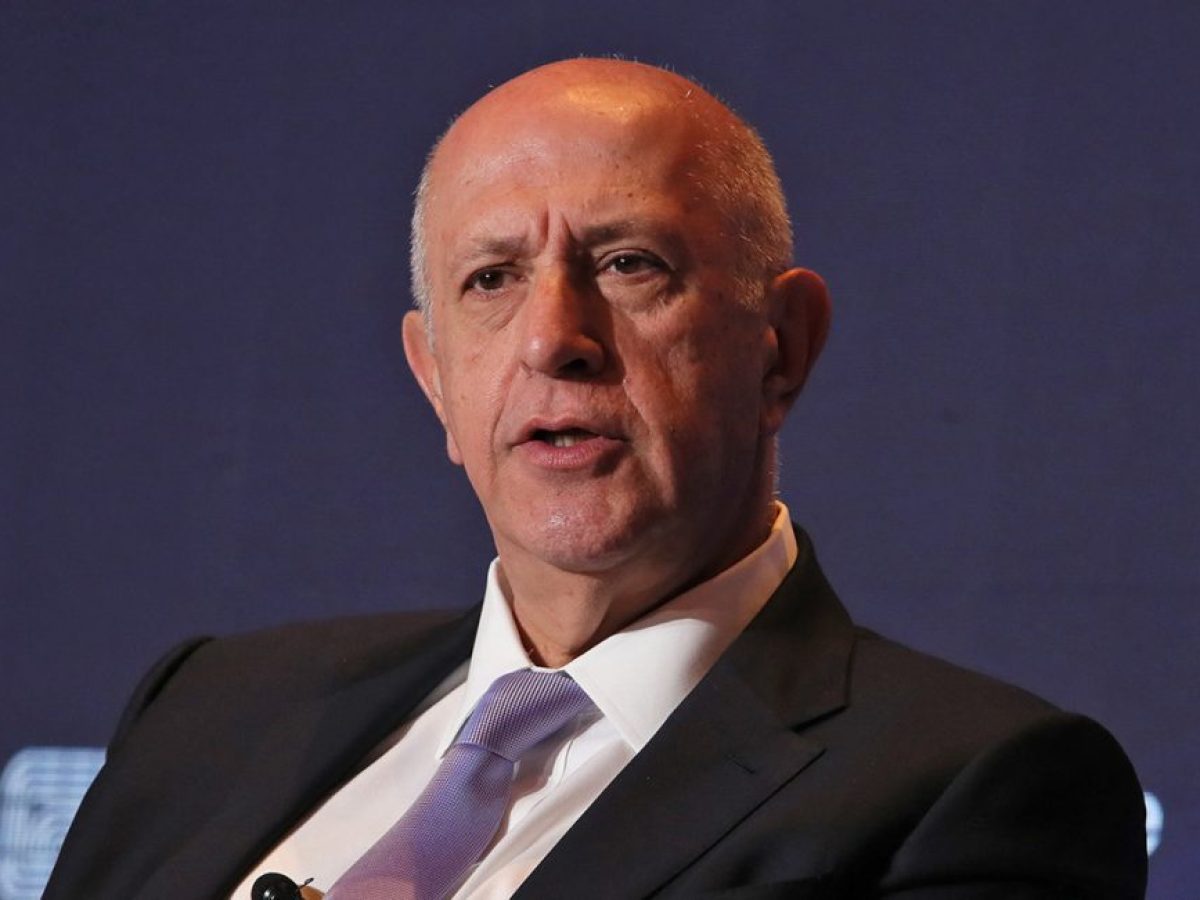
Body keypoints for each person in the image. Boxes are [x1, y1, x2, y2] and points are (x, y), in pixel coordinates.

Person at [45, 58, 1147, 900]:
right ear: (436, 381)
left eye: (628, 265)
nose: (553, 339)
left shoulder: (972, 790)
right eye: (492, 279)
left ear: (781, 348)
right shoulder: (210, 709)